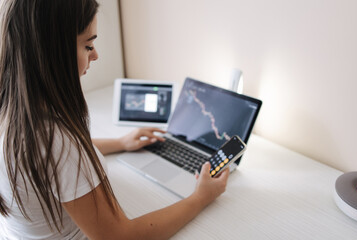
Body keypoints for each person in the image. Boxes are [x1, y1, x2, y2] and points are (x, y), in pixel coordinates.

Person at [0, 0, 230, 239]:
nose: (96, 54)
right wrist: (200, 197)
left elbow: (52, 164)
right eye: (88, 45)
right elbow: (121, 236)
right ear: (51, 52)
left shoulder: (14, 109)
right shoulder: (58, 141)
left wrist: (121, 143)